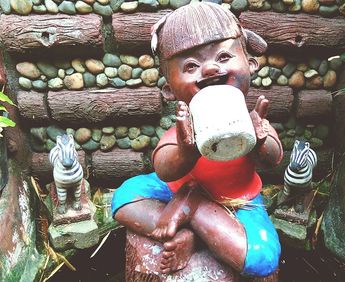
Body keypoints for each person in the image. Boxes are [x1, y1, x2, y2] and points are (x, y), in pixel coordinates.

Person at [112, 2, 283, 277]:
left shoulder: (252, 121)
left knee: (262, 258)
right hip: (177, 188)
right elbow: (163, 168)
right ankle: (191, 225)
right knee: (124, 199)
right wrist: (186, 151)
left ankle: (194, 209)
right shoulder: (185, 127)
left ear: (250, 64)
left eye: (224, 58)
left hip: (238, 199)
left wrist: (260, 138)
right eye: (191, 65)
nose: (210, 69)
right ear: (169, 90)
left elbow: (274, 160)